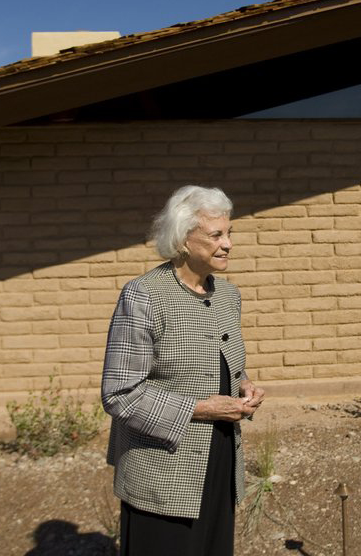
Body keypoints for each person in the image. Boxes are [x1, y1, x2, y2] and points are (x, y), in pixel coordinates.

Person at [101, 185, 265, 556]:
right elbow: (120, 394)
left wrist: (244, 385)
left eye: (229, 233)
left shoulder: (227, 296)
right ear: (184, 239)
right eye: (216, 235)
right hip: (162, 468)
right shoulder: (144, 296)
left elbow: (218, 362)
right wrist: (203, 409)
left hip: (219, 455)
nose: (228, 244)